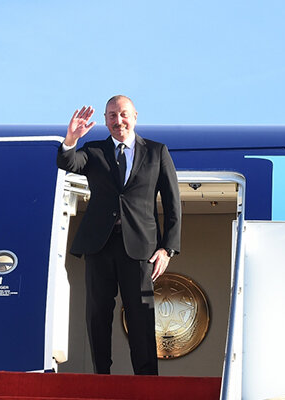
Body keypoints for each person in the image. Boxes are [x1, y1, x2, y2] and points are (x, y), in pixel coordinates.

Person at [57, 95, 181, 375]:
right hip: (99, 245)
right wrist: (71, 139)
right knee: (97, 312)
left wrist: (167, 248)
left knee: (141, 313)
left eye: (123, 114)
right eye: (112, 115)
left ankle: (146, 379)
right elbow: (67, 162)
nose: (118, 120)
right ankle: (101, 375)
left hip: (141, 248)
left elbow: (173, 203)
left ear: (135, 116)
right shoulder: (94, 150)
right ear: (105, 120)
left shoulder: (157, 151)